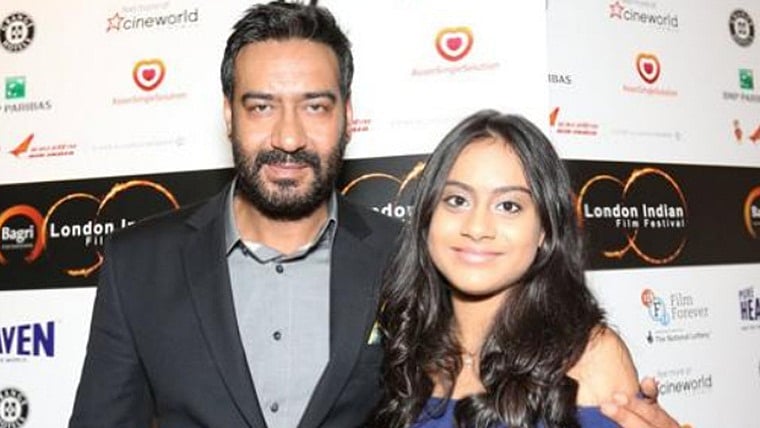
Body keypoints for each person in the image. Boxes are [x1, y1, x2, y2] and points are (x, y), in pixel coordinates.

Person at [69, 2, 679, 427]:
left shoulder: (408, 257)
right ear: (228, 115)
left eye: (315, 106)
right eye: (261, 107)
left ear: (348, 116)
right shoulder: (140, 264)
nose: (288, 136)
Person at [368, 110, 680, 428]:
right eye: (458, 200)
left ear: (545, 229)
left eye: (509, 206)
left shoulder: (588, 359)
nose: (477, 227)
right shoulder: (405, 349)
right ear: (427, 216)